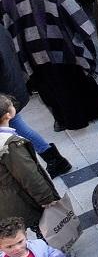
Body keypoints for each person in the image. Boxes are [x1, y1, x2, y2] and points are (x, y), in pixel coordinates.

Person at [0, 0, 98, 132]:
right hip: (60, 44)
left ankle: (62, 119)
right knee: (72, 80)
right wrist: (84, 34)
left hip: (29, 50)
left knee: (47, 86)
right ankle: (85, 115)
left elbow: (8, 22)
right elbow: (72, 10)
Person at [0, 93, 60, 232]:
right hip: (20, 200)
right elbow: (28, 174)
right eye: (11, 105)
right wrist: (46, 198)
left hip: (5, 203)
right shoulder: (9, 144)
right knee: (42, 228)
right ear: (8, 115)